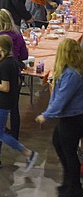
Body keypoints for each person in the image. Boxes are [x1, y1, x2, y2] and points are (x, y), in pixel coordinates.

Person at [0, 34, 39, 171]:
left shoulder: (5, 64)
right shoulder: (10, 61)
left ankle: (28, 153)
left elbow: (5, 87)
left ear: (1, 48)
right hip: (3, 101)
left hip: (3, 102)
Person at [35, 38, 83, 197]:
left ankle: (74, 188)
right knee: (60, 144)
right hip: (71, 117)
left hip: (73, 118)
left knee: (69, 151)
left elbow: (62, 98)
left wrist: (46, 115)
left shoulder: (71, 75)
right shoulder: (69, 71)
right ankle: (69, 181)